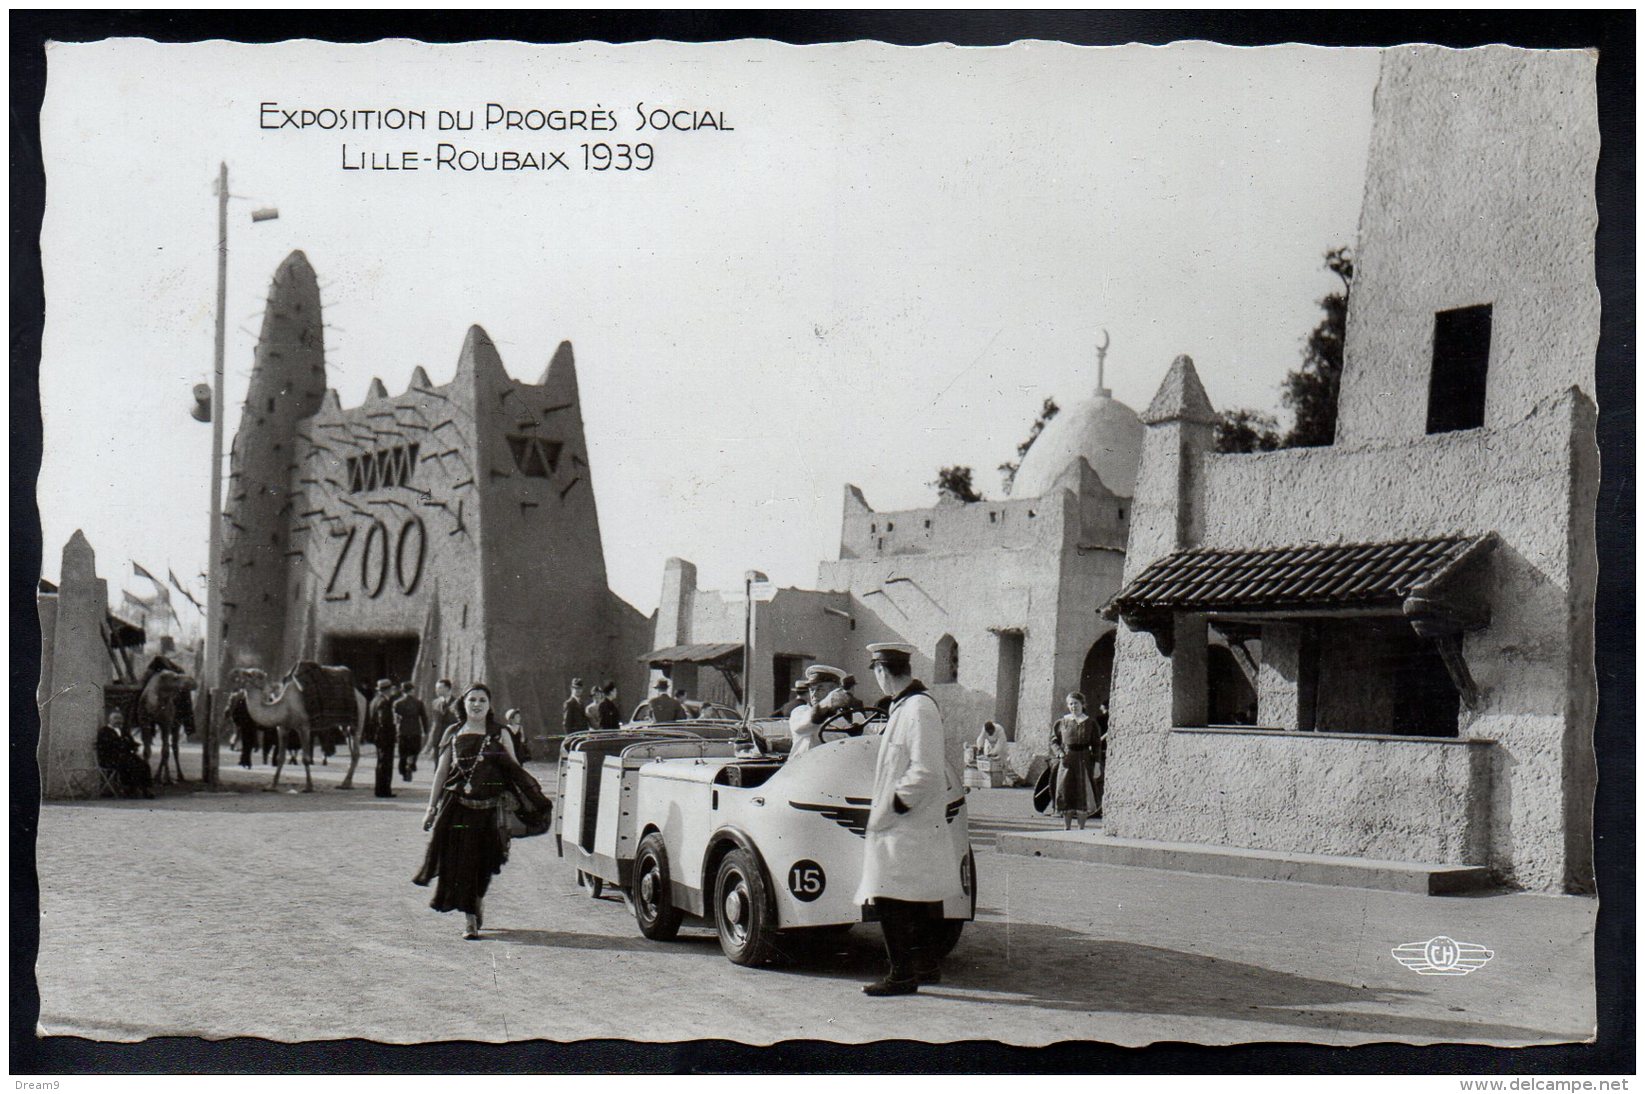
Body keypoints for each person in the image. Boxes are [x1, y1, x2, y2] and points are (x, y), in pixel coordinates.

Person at [856, 642, 960, 996]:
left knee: (890, 895)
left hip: (907, 821)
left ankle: (902, 973)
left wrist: (894, 806)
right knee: (915, 896)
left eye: (878, 674)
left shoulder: (917, 709)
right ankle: (926, 965)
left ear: (883, 671)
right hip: (909, 822)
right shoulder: (906, 707)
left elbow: (926, 770)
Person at [414, 683, 551, 939]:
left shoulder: (500, 733)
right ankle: (470, 918)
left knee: (484, 864)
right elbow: (442, 773)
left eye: (482, 700)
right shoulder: (453, 733)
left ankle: (476, 900)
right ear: (463, 704)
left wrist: (519, 799)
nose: (477, 705)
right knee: (461, 862)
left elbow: (514, 769)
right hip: (456, 808)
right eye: (472, 700)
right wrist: (430, 808)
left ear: (489, 705)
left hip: (490, 810)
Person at [1051, 691, 1103, 830]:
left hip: (1084, 761)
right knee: (1066, 791)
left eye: (1076, 703)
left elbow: (1097, 745)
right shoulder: (1062, 722)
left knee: (1082, 793)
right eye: (1071, 704)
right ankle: (1066, 827)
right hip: (1067, 761)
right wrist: (1060, 753)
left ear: (1082, 704)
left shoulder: (1090, 723)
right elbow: (1054, 741)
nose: (1074, 706)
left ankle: (1081, 828)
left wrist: (1097, 765)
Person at [788, 664, 857, 759]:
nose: (814, 694)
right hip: (806, 767)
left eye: (820, 689)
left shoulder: (854, 716)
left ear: (835, 690)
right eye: (811, 689)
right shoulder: (800, 712)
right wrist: (825, 706)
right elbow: (801, 727)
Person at [96, 710, 154, 799]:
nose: (118, 720)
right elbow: (109, 745)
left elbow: (130, 742)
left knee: (144, 764)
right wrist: (123, 744)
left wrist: (134, 746)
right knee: (129, 765)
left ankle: (146, 789)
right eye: (115, 718)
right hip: (110, 758)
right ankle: (129, 788)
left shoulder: (124, 731)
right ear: (109, 720)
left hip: (125, 756)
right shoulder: (105, 731)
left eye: (120, 718)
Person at [370, 678, 399, 798]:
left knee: (381, 763)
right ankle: (385, 790)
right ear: (388, 690)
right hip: (385, 736)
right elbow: (383, 721)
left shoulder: (375, 701)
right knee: (386, 763)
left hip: (379, 736)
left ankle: (380, 789)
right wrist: (393, 726)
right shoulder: (384, 702)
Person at [394, 682, 428, 782]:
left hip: (403, 731)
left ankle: (403, 770)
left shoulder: (398, 703)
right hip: (415, 730)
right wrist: (425, 730)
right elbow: (424, 717)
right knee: (414, 750)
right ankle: (411, 764)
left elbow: (395, 719)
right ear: (412, 691)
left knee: (403, 752)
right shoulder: (418, 703)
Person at [425, 679, 455, 759]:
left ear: (447, 688)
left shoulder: (457, 703)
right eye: (436, 688)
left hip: (451, 740)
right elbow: (434, 722)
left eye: (439, 688)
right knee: (437, 767)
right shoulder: (435, 703)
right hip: (437, 739)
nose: (436, 690)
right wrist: (430, 741)